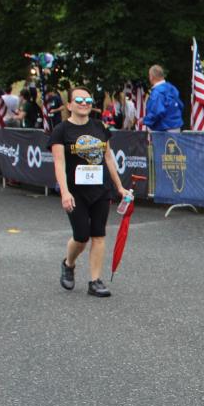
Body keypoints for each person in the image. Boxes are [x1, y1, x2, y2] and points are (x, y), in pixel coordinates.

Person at [50, 87, 130, 298]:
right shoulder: (61, 130)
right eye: (78, 100)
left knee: (98, 234)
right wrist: (64, 192)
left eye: (87, 100)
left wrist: (119, 187)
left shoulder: (99, 127)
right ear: (69, 105)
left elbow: (108, 158)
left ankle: (95, 281)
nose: (84, 103)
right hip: (75, 191)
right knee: (81, 236)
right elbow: (59, 163)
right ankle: (69, 263)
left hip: (100, 189)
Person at [142, 65, 183, 133]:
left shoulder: (157, 92)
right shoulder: (172, 88)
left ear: (151, 77)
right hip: (176, 127)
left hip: (163, 130)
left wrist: (145, 120)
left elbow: (157, 112)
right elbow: (181, 105)